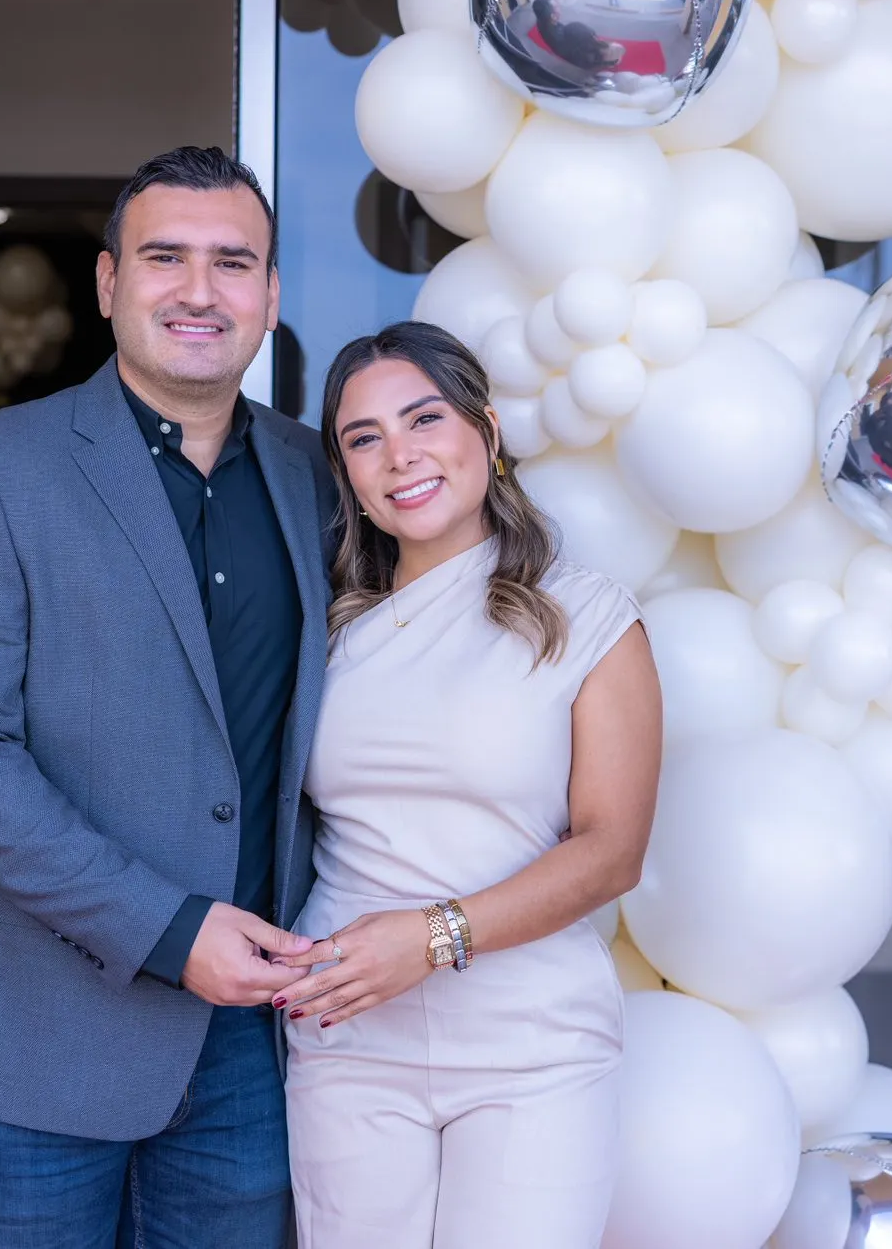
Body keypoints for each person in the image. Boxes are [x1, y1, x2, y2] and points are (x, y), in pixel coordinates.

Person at [0, 145, 336, 1249]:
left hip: (247, 1041)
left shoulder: (320, 475)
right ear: (107, 282)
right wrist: (168, 930)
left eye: (233, 262)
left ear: (271, 294)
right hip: (29, 1029)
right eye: (164, 257)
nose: (199, 290)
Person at [272, 321, 662, 1247]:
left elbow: (612, 851)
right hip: (347, 1039)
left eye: (424, 419)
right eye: (363, 438)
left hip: (533, 1045)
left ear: (485, 430)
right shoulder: (327, 635)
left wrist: (431, 938)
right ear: (348, 475)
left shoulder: (588, 617)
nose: (399, 456)